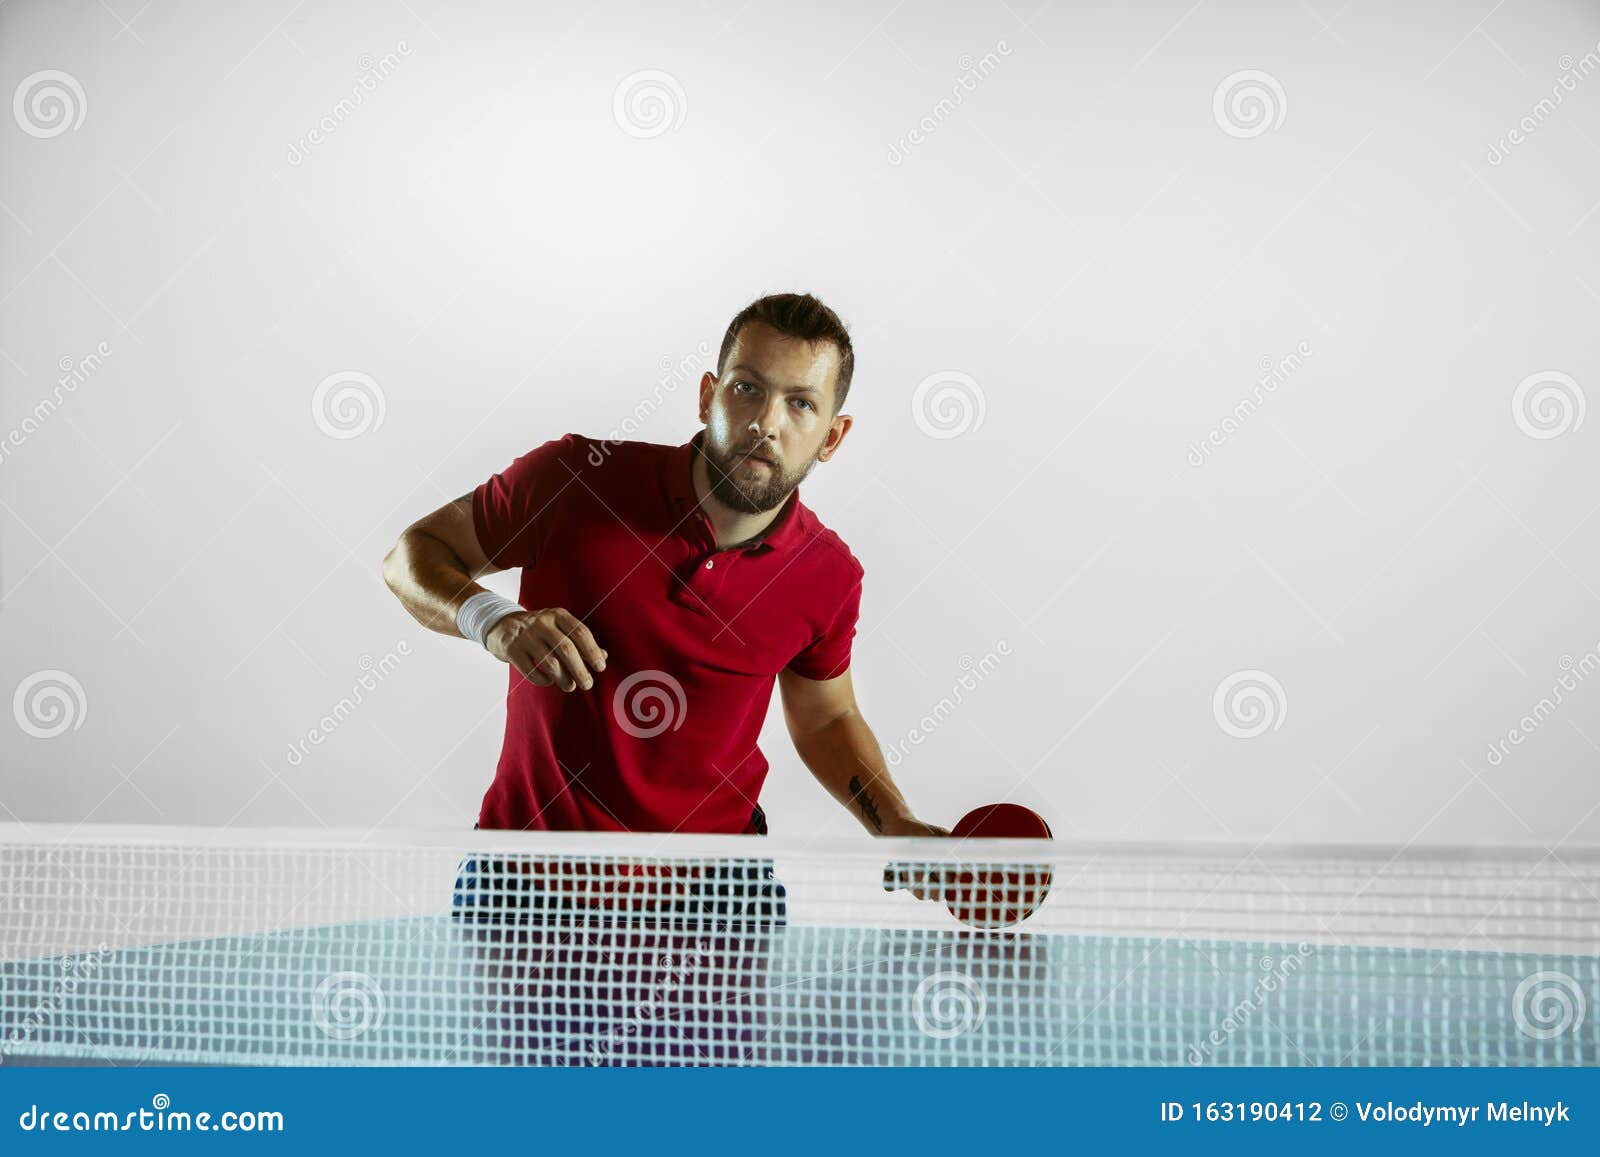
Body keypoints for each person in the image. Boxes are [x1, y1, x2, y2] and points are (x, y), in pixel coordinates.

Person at [382, 293, 948, 867]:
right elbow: (412, 555)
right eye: (747, 387)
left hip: (716, 897)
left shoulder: (829, 576)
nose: (764, 424)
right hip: (521, 878)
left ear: (832, 437)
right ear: (708, 396)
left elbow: (828, 717)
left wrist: (894, 823)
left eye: (800, 404)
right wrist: (495, 621)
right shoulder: (574, 479)